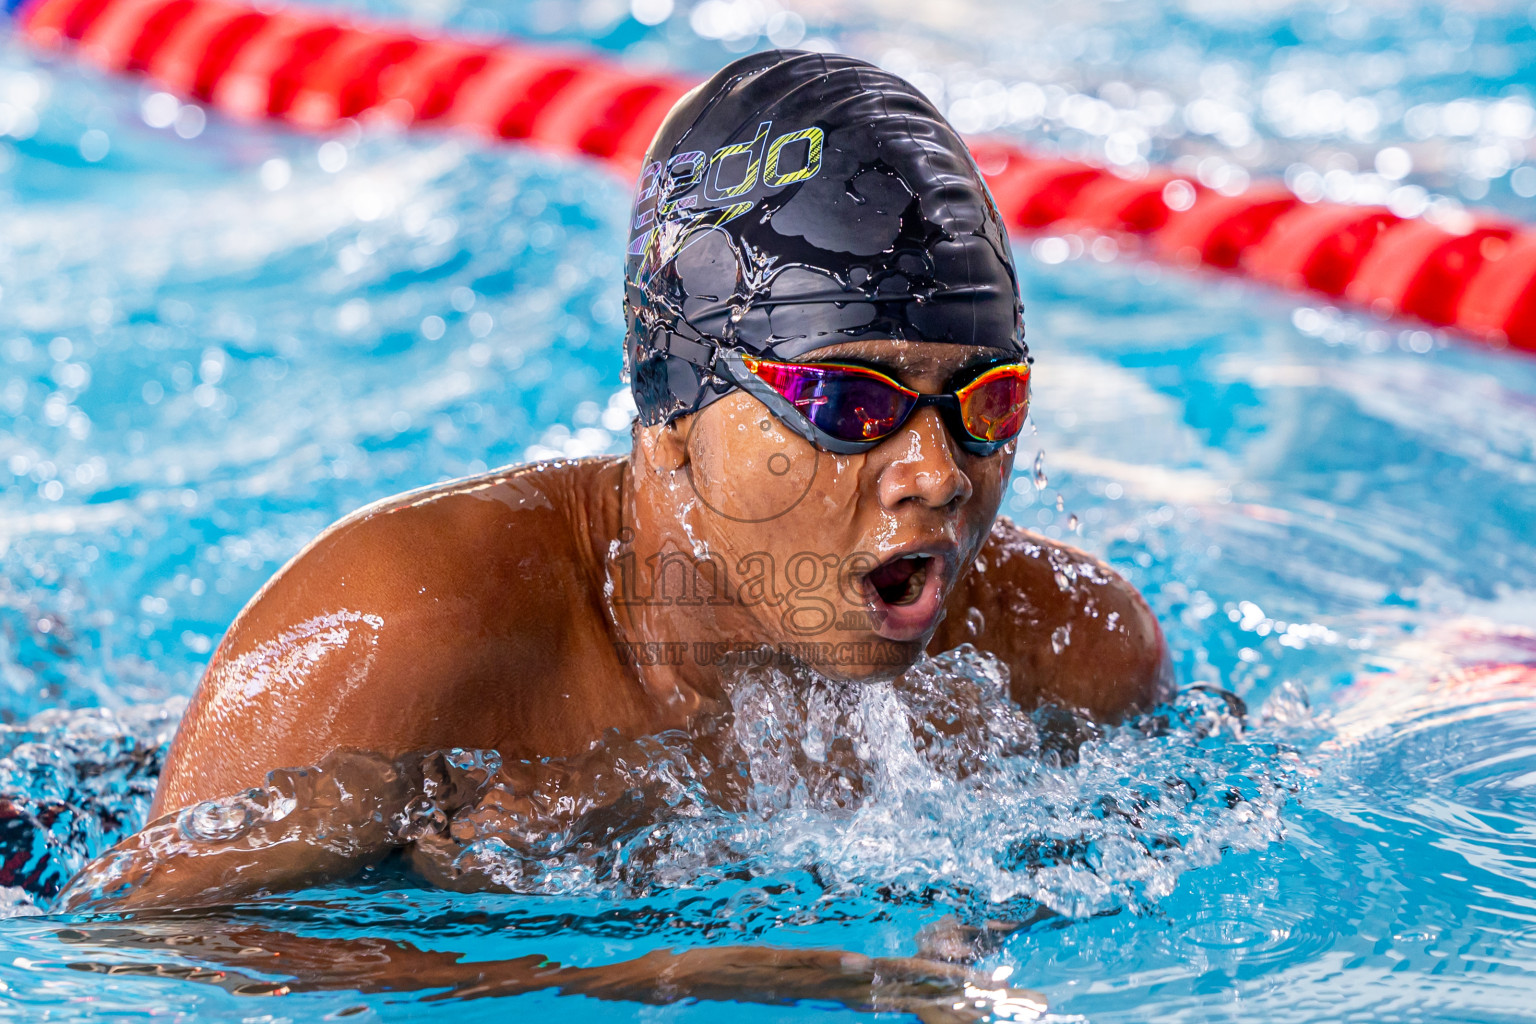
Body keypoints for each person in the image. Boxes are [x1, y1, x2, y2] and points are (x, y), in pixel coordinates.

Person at [55, 49, 1170, 1015]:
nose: (937, 476)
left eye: (989, 402)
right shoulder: (400, 631)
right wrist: (647, 974)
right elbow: (143, 946)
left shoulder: (1069, 653)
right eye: (848, 404)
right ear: (674, 417)